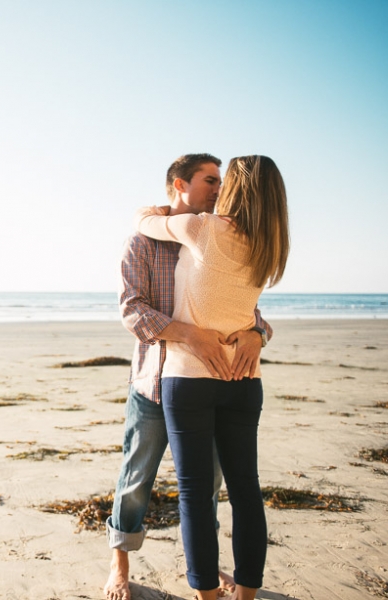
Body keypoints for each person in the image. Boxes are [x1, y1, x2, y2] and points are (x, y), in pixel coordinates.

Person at [105, 154, 272, 600]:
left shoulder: (222, 234)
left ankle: (207, 570)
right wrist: (189, 335)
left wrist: (256, 333)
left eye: (221, 181)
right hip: (154, 383)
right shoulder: (143, 242)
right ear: (179, 184)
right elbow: (131, 310)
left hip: (204, 383)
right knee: (136, 480)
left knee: (206, 487)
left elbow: (248, 311)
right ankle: (120, 565)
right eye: (209, 180)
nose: (218, 189)